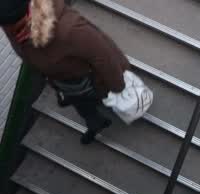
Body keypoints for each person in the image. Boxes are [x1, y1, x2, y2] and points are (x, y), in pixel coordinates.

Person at [0, 0, 129, 144]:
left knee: (94, 98)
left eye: (11, 26)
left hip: (87, 80)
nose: (8, 30)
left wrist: (118, 87)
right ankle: (96, 124)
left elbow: (104, 56)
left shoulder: (70, 29)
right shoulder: (14, 26)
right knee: (83, 106)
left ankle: (105, 107)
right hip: (63, 82)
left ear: (24, 16)